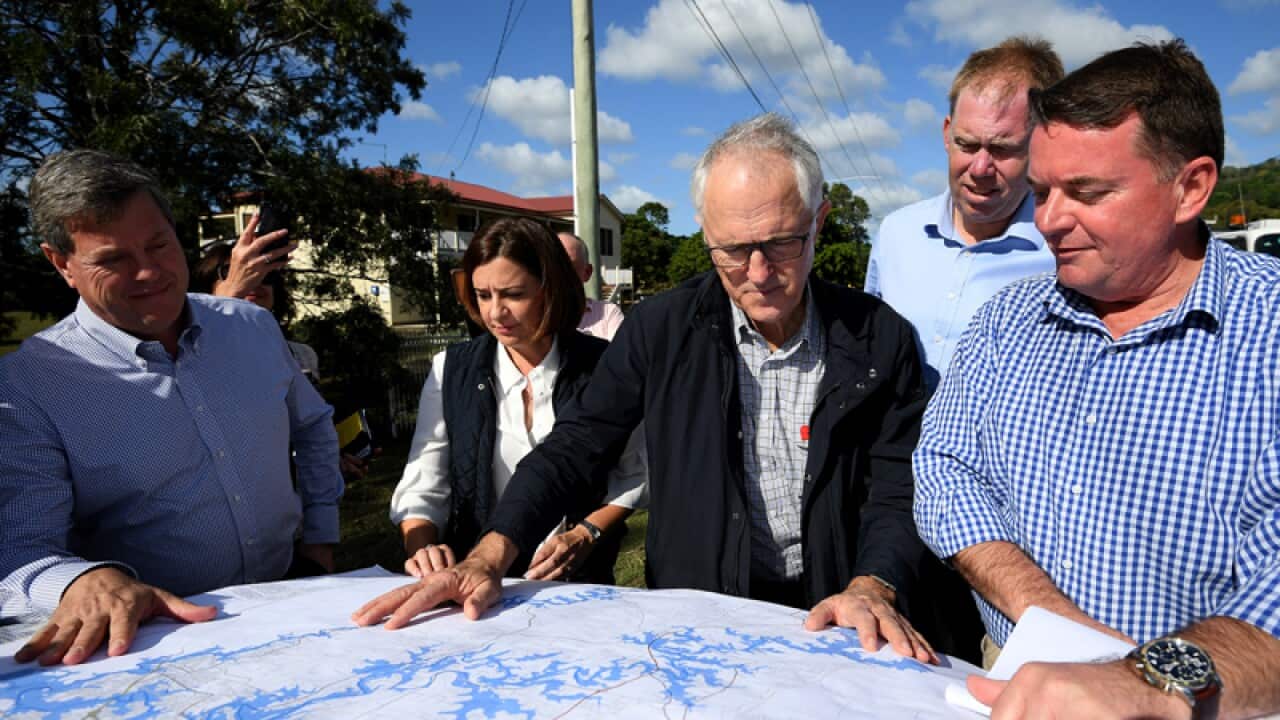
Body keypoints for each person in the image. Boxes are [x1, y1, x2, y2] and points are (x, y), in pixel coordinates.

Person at [354, 113, 939, 665]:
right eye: (733, 251)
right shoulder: (661, 330)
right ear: (706, 234)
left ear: (820, 221)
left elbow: (897, 486)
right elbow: (576, 443)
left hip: (836, 613)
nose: (759, 273)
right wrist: (490, 553)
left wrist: (874, 583)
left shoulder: (878, 338)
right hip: (702, 613)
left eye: (782, 243)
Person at [914, 41, 1280, 718]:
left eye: (1086, 192)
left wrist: (1147, 679)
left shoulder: (1268, 338)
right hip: (1010, 675)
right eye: (1045, 190)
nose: (1048, 220)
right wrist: (1050, 619)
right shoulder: (1007, 320)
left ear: (1191, 187)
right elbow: (944, 468)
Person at [0, 150, 344, 666]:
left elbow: (314, 428)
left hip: (295, 600)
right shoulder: (29, 385)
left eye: (159, 244)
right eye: (113, 259)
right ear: (60, 262)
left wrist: (320, 539)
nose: (148, 272)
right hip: (160, 649)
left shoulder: (250, 326)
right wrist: (83, 580)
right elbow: (21, 549)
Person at [390, 217, 647, 584]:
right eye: (483, 295)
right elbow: (424, 481)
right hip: (476, 583)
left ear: (551, 288)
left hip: (580, 585)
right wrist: (423, 548)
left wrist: (585, 534)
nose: (495, 313)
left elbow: (634, 474)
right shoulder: (451, 369)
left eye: (513, 294)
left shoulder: (603, 365)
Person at [866, 36, 1061, 390]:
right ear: (946, 133)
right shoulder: (896, 234)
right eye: (967, 144)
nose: (980, 167)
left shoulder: (1063, 254)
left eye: (1002, 149)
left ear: (1043, 144)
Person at [193, 240, 372, 482]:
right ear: (207, 286)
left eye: (268, 277)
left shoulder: (301, 355)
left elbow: (304, 430)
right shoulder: (189, 353)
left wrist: (333, 462)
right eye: (233, 272)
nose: (255, 282)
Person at [557, 231, 626, 340]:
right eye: (552, 265)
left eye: (569, 266)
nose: (558, 272)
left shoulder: (607, 314)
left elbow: (620, 355)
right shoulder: (531, 317)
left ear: (587, 272)